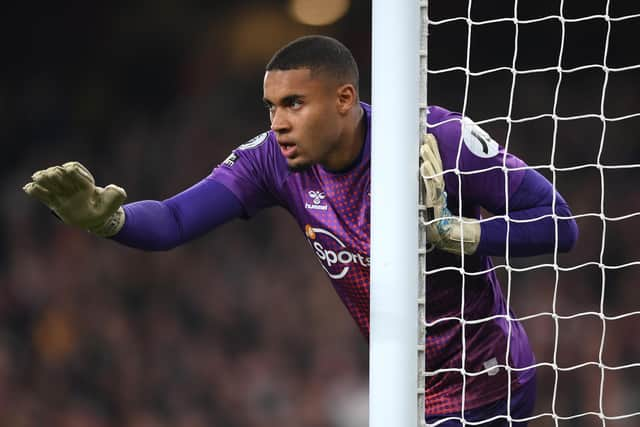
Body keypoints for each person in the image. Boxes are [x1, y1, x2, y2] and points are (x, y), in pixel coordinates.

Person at [23, 35, 578, 426]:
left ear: (343, 100)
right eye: (270, 107)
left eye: (293, 103)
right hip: (399, 388)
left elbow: (562, 225)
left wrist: (462, 233)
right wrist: (106, 219)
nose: (278, 122)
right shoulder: (271, 161)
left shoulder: (434, 140)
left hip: (487, 380)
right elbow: (172, 220)